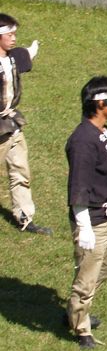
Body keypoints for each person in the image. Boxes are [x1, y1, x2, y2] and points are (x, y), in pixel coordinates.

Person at [65, 76, 107, 350]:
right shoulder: (83, 141)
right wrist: (84, 226)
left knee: (104, 269)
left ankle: (78, 310)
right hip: (93, 220)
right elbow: (79, 186)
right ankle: (80, 329)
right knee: (86, 278)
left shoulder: (102, 130)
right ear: (101, 103)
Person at [0, 13, 51, 235]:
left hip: (12, 124)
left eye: (14, 34)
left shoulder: (13, 57)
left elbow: (25, 55)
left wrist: (32, 49)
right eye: (9, 34)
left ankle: (24, 217)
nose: (13, 38)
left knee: (21, 171)